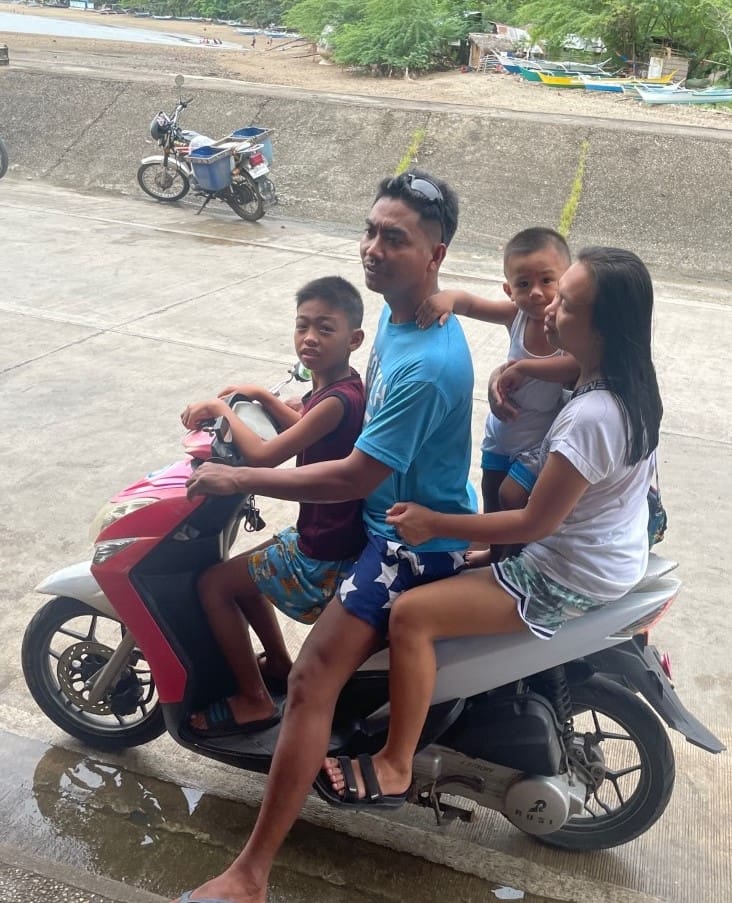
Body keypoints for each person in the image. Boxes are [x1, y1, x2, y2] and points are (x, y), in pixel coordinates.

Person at [175, 169, 474, 903]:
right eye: (371, 231)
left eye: (394, 238)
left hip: (407, 544)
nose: (373, 248)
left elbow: (350, 477)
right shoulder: (413, 316)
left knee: (309, 682)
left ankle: (248, 876)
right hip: (399, 521)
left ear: (435, 253)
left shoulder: (426, 360)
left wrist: (237, 478)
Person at [321, 245, 663, 808]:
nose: (549, 310)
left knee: (410, 615)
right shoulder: (629, 383)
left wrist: (435, 524)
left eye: (567, 305)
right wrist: (521, 364)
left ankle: (395, 763)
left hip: (568, 571)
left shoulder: (588, 418)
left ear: (601, 327)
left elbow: (534, 518)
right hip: (603, 551)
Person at [179, 276, 366, 736]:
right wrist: (260, 396)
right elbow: (303, 425)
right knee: (245, 576)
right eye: (302, 326)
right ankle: (279, 663)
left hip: (321, 551)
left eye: (325, 329)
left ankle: (253, 700)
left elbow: (267, 455)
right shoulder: (341, 387)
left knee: (215, 585)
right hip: (327, 535)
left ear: (354, 339)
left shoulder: (338, 401)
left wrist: (223, 411)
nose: (309, 338)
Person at [416, 227, 579, 563]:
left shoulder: (567, 327)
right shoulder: (515, 316)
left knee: (515, 500)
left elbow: (573, 368)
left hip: (536, 445)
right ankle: (494, 555)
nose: (536, 293)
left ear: (567, 281)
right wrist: (449, 300)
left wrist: (525, 369)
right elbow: (471, 303)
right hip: (500, 435)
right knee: (492, 498)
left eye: (547, 281)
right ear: (508, 289)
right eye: (523, 284)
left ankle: (512, 561)